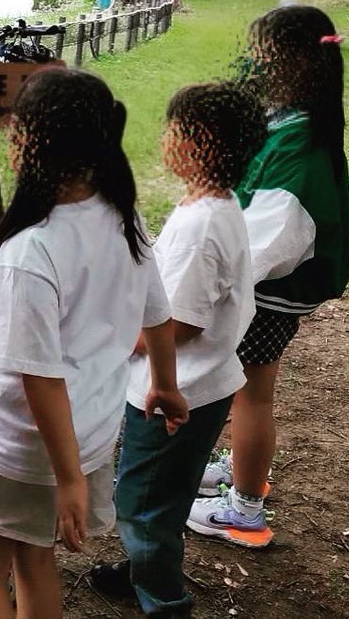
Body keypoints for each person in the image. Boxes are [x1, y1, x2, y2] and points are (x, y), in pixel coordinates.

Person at [0, 67, 189, 619]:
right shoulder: (127, 220)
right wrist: (166, 386)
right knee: (36, 562)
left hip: (18, 443)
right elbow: (159, 315)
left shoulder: (30, 250)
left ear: (29, 143)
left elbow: (37, 374)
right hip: (89, 434)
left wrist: (70, 478)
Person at [90, 83, 267, 614]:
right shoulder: (216, 204)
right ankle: (144, 565)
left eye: (174, 130)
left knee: (141, 501)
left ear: (202, 143)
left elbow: (182, 322)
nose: (165, 139)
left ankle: (163, 597)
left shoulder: (200, 224)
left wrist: (121, 342)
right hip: (204, 382)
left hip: (176, 392)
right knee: (160, 494)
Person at [188, 5, 349, 547]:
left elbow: (272, 237)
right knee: (247, 391)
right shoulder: (298, 118)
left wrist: (217, 280)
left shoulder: (301, 142)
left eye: (263, 54)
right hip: (268, 286)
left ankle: (245, 509)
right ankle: (241, 471)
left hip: (268, 289)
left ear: (294, 63)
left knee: (251, 393)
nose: (252, 63)